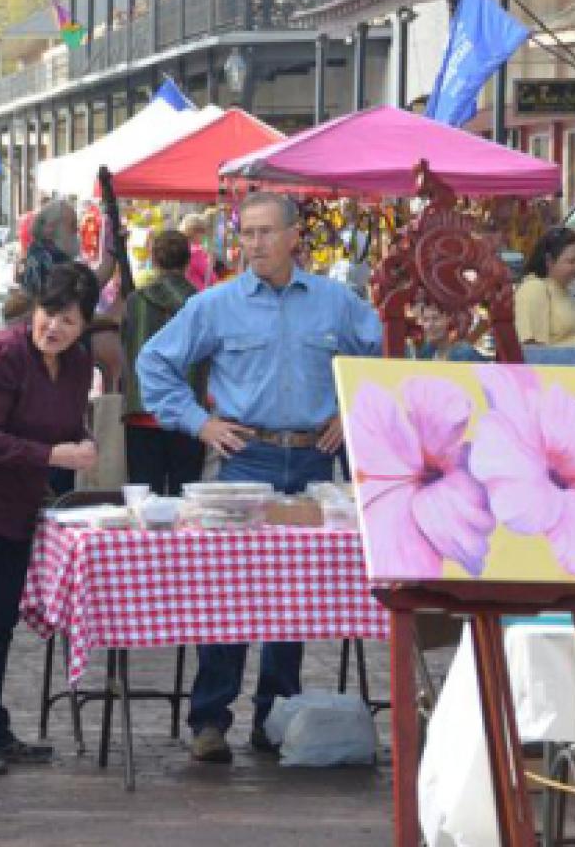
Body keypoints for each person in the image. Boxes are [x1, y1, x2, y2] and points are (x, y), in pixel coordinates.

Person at [138, 191, 382, 763]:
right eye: (246, 233)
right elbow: (155, 361)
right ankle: (209, 719)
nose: (255, 244)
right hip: (246, 460)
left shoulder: (336, 303)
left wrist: (350, 414)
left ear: (295, 237)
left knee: (291, 597)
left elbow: (384, 356)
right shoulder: (216, 305)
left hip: (315, 460)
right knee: (228, 590)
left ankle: (278, 715)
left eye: (266, 232)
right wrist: (200, 423)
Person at [0, 262, 99, 775]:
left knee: (2, 621)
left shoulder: (77, 364)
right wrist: (52, 455)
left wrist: (82, 447)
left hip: (24, 505)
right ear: (34, 308)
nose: (54, 327)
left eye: (69, 322)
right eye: (49, 314)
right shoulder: (5, 352)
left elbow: (68, 425)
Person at [120, 231, 207, 496]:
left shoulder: (136, 302)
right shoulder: (202, 303)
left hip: (142, 410)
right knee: (186, 498)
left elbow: (124, 342)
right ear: (188, 261)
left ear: (154, 260)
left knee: (145, 501)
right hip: (189, 412)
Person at [516, 225, 575, 347]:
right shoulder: (534, 289)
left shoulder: (569, 294)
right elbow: (530, 348)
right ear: (549, 261)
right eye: (571, 261)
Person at [408, 301, 485, 362]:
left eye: (435, 318)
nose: (429, 325)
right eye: (425, 319)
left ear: (449, 319)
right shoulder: (426, 352)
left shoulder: (465, 353)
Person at [180, 213, 215, 292]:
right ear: (195, 232)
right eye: (203, 231)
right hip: (197, 294)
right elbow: (211, 278)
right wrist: (210, 263)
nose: (204, 235)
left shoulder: (179, 248)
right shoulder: (195, 252)